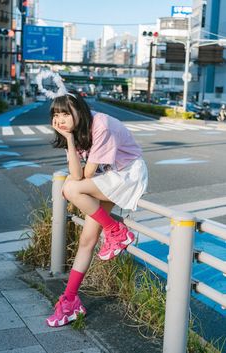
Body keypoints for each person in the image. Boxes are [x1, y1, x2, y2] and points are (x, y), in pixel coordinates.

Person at [46, 92, 148, 327]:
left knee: (71, 189)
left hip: (127, 174)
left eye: (65, 114)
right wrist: (69, 140)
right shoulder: (75, 131)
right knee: (86, 240)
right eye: (56, 115)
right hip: (107, 176)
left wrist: (73, 186)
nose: (60, 120)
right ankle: (70, 301)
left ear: (79, 111)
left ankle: (116, 231)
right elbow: (76, 173)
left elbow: (85, 176)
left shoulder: (100, 124)